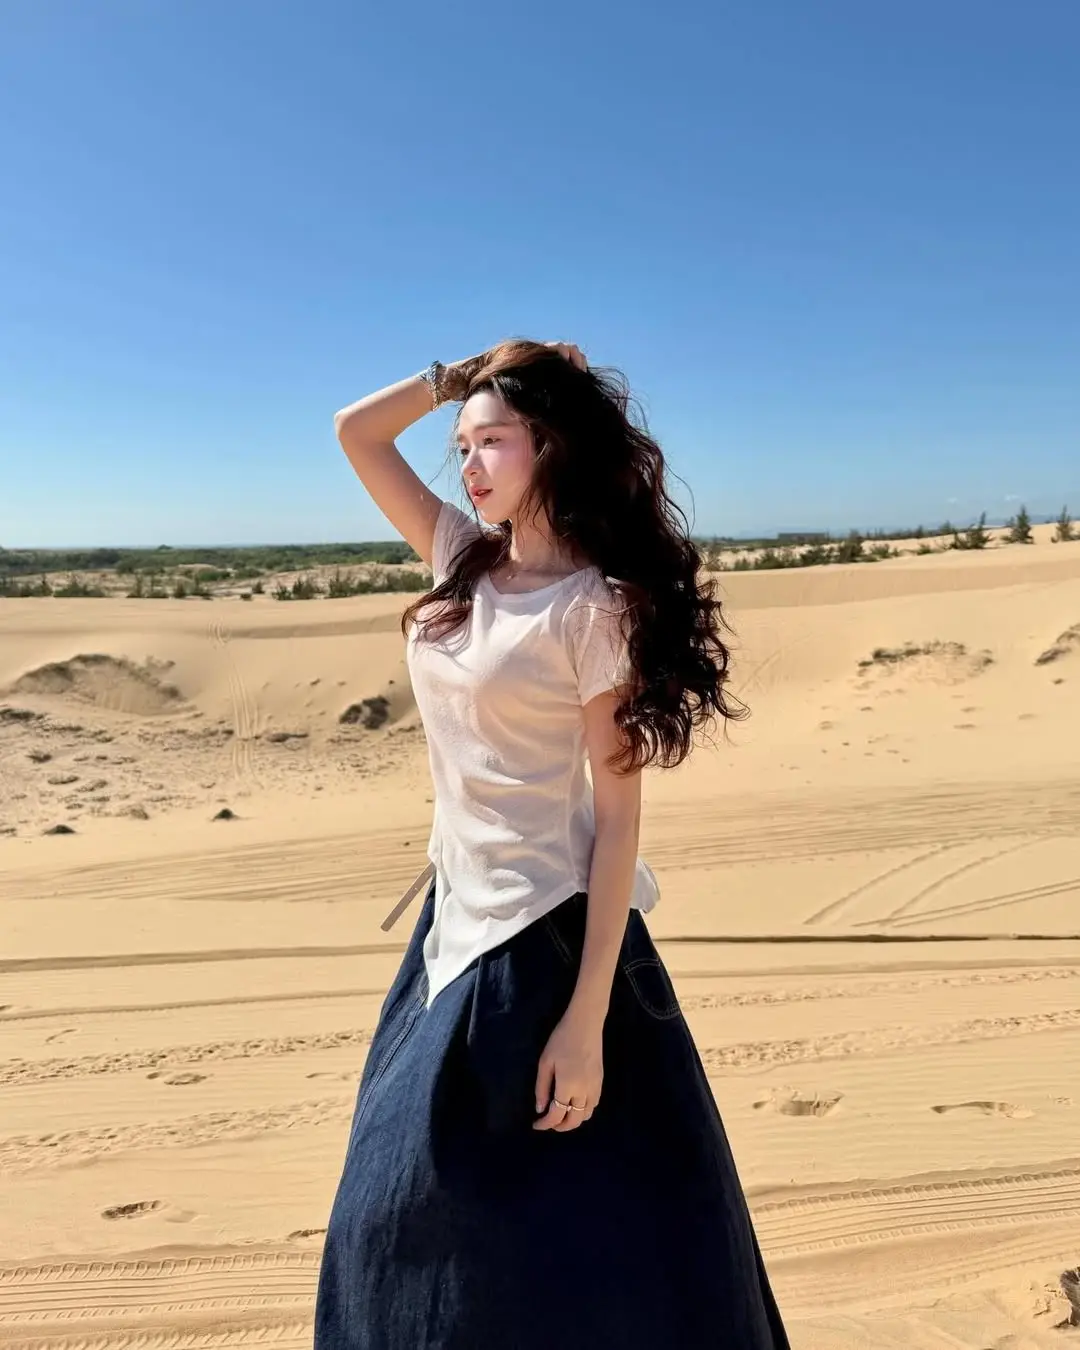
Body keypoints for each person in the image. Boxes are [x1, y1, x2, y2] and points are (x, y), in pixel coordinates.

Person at [314, 339, 790, 1349]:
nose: (470, 465)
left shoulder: (592, 610)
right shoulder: (460, 557)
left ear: (552, 446)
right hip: (450, 926)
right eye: (461, 446)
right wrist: (464, 375)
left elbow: (617, 822)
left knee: (562, 1242)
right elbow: (356, 433)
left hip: (548, 938)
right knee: (383, 1217)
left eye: (493, 441)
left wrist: (585, 1024)